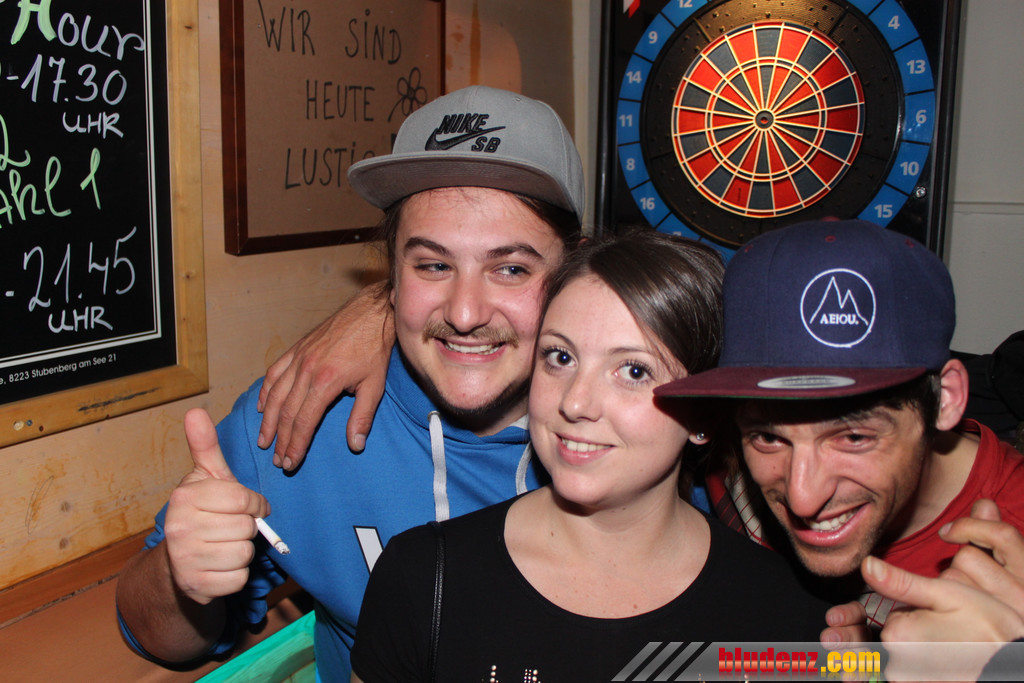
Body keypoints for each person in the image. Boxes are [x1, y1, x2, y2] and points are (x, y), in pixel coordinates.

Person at [114, 85, 586, 679]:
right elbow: (154, 634)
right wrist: (179, 576)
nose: (465, 312)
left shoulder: (635, 430)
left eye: (510, 268)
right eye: (433, 265)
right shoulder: (298, 416)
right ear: (391, 271)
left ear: (575, 269)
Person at [350, 229, 832, 682]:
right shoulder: (424, 580)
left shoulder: (791, 615)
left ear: (702, 414)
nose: (575, 403)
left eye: (634, 371)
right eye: (560, 357)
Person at [653, 218, 1024, 629]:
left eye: (853, 437)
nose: (803, 500)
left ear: (946, 399)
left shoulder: (1013, 561)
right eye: (768, 438)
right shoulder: (722, 463)